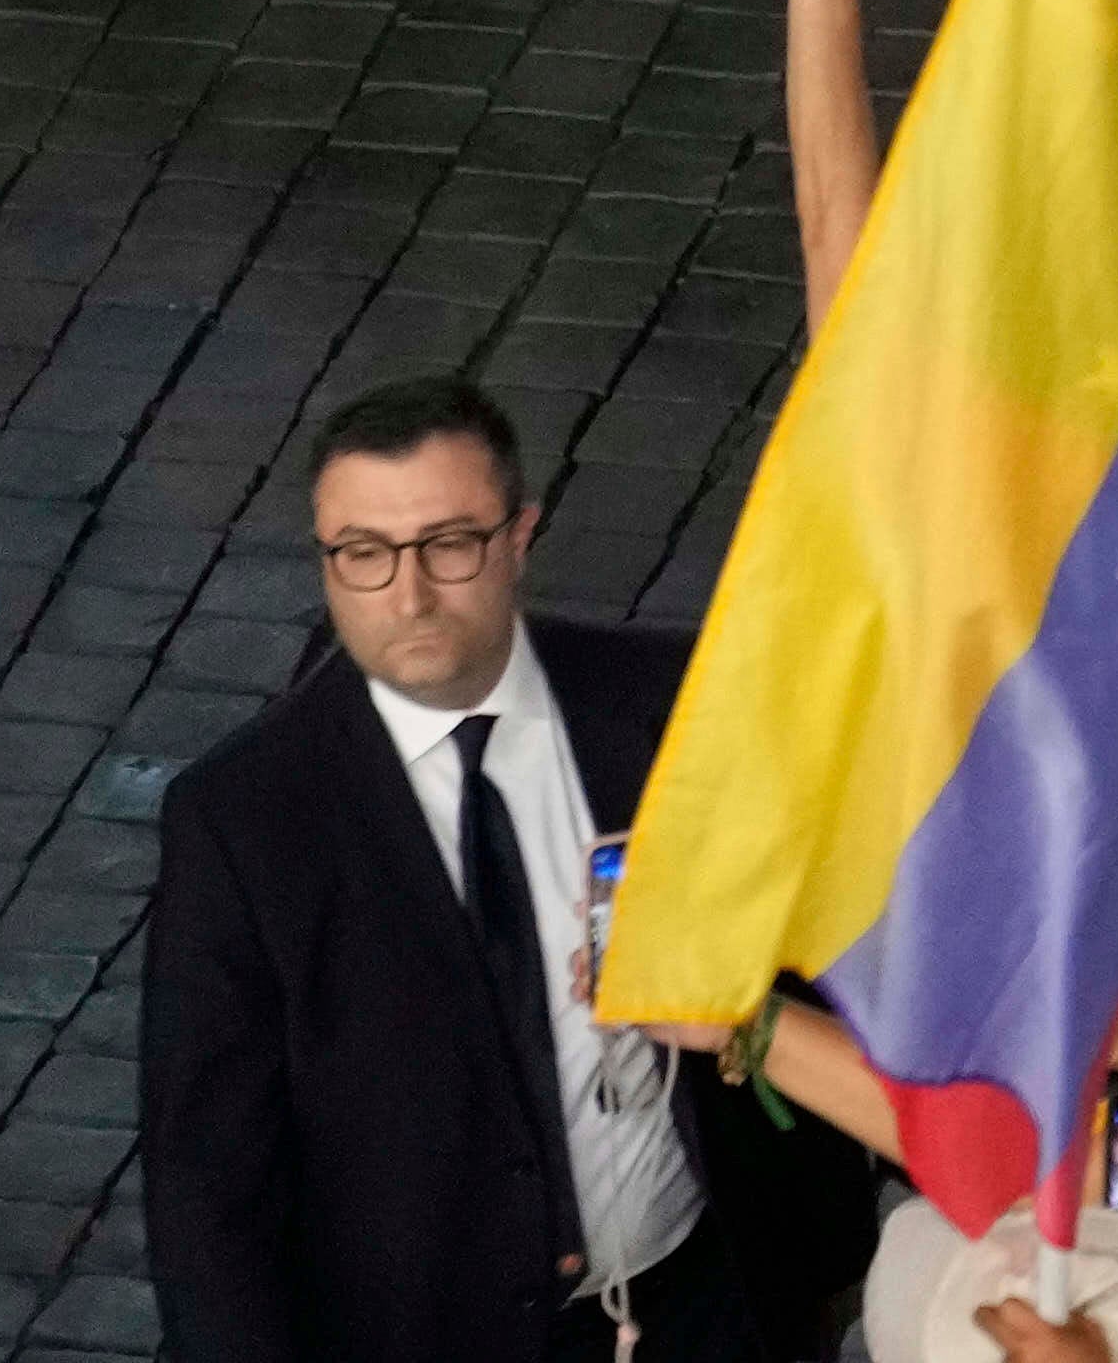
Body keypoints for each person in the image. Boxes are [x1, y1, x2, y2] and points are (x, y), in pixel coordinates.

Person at [140, 373, 810, 1363]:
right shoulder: (245, 821)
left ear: (518, 536)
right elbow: (210, 1184)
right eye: (363, 555)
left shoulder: (671, 712)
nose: (407, 595)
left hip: (694, 1308)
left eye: (448, 545)